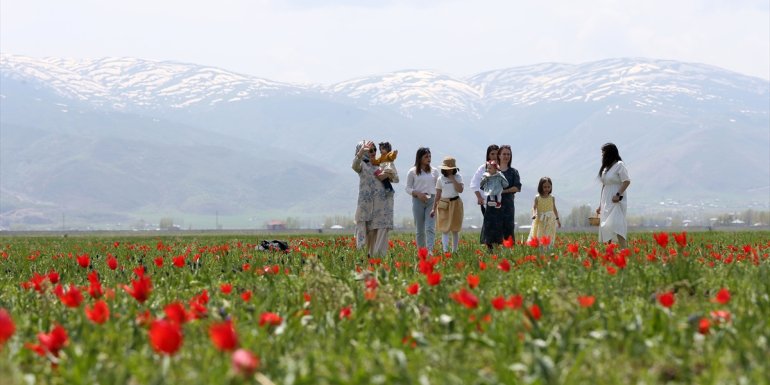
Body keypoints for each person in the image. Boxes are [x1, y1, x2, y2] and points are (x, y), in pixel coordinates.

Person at [352, 140, 396, 257]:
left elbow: (395, 178)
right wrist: (361, 152)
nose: (373, 152)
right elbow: (354, 166)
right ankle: (361, 260)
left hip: (381, 207)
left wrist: (388, 173)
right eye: (369, 150)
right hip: (365, 206)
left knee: (379, 234)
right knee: (363, 237)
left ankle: (377, 261)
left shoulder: (381, 164)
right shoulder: (362, 165)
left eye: (374, 150)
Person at [479, 145, 521, 251]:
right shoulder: (491, 170)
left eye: (508, 154)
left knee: (508, 229)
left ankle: (508, 254)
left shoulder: (513, 172)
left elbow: (517, 187)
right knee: (492, 230)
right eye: (504, 154)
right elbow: (482, 185)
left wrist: (502, 191)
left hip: (507, 206)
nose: (506, 156)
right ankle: (491, 255)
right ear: (499, 155)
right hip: (492, 206)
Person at [596, 142, 631, 249]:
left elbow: (626, 181)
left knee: (617, 225)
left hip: (616, 200)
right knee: (606, 226)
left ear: (610, 153)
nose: (602, 156)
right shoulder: (606, 168)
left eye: (604, 154)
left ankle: (624, 250)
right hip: (606, 200)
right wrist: (600, 205)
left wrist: (618, 194)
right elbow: (604, 185)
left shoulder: (619, 165)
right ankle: (608, 252)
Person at [405, 147, 440, 252]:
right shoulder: (412, 172)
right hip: (417, 201)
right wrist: (417, 194)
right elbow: (407, 188)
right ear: (420, 158)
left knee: (430, 227)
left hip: (431, 201)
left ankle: (430, 251)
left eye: (430, 156)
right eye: (426, 156)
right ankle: (421, 252)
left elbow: (438, 187)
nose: (429, 158)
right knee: (420, 229)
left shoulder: (434, 171)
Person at [431, 156, 464, 253]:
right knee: (444, 229)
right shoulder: (440, 179)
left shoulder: (458, 177)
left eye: (450, 169)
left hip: (456, 203)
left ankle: (455, 251)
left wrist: (453, 179)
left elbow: (460, 190)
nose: (448, 171)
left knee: (455, 228)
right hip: (444, 204)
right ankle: (445, 251)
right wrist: (433, 208)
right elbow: (437, 195)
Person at [527, 177, 561, 248]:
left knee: (548, 234)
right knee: (540, 234)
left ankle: (548, 248)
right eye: (545, 187)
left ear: (551, 187)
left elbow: (554, 208)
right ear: (541, 187)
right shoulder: (537, 197)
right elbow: (534, 207)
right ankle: (540, 248)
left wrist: (557, 219)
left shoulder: (552, 198)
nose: (547, 189)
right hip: (540, 219)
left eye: (548, 187)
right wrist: (534, 214)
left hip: (550, 220)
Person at [469, 145, 500, 216]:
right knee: (489, 225)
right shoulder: (482, 168)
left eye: (497, 154)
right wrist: (479, 197)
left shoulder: (503, 168)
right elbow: (474, 183)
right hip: (486, 202)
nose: (495, 156)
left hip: (502, 202)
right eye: (492, 154)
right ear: (488, 155)